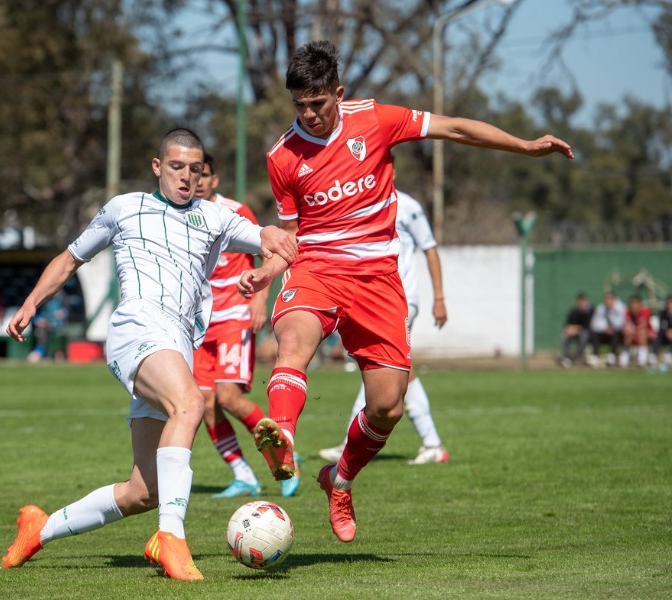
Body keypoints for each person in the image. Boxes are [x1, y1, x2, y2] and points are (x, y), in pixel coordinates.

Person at [237, 40, 573, 543]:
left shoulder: (376, 119)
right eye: (299, 105)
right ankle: (281, 436)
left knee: (388, 405)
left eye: (318, 103)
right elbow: (289, 237)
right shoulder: (283, 156)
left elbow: (455, 128)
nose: (308, 114)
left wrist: (524, 146)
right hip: (317, 270)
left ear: (339, 93)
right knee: (294, 344)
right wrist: (267, 274)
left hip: (377, 280)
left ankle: (340, 479)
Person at [0, 128, 296, 580]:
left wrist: (272, 251)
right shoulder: (124, 208)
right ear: (157, 166)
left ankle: (40, 529)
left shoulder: (215, 217)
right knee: (192, 402)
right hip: (135, 329)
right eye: (176, 167)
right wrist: (31, 302)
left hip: (176, 345)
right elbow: (69, 258)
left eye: (195, 170)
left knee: (144, 491)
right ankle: (170, 538)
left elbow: (272, 241)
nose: (186, 177)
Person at [191, 153, 301, 499]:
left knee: (228, 397)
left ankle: (284, 452)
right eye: (193, 174)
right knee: (203, 404)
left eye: (204, 174)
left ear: (214, 179)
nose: (198, 181)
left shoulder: (236, 211)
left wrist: (259, 299)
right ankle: (243, 475)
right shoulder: (181, 216)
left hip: (234, 317)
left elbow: (270, 252)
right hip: (200, 323)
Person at [317, 189, 449, 466]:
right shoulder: (355, 197)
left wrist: (438, 298)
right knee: (387, 368)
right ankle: (431, 443)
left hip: (401, 300)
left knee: (387, 367)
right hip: (372, 300)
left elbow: (430, 248)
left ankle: (429, 443)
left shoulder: (408, 205)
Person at [588, 292, 626, 367]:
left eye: (610, 299)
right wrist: (604, 328)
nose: (608, 302)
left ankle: (611, 356)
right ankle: (595, 356)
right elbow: (594, 324)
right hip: (604, 333)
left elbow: (622, 323)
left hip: (617, 334)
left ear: (614, 300)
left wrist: (612, 327)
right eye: (606, 299)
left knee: (616, 333)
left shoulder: (621, 308)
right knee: (594, 333)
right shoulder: (601, 308)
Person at [559, 292, 593, 367]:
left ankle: (576, 356)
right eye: (580, 301)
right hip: (575, 334)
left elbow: (589, 326)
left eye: (583, 301)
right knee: (564, 335)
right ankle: (566, 356)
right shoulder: (573, 312)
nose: (581, 303)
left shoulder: (591, 311)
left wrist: (577, 329)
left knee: (585, 335)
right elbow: (567, 326)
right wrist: (569, 330)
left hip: (589, 335)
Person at [621, 294, 654, 368]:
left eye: (636, 305)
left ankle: (642, 359)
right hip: (633, 334)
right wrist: (629, 330)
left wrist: (633, 330)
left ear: (639, 305)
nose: (634, 308)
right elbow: (626, 325)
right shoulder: (627, 312)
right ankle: (625, 356)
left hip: (647, 334)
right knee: (627, 333)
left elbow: (643, 326)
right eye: (632, 305)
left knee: (642, 333)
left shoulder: (645, 311)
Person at [653, 296, 672, 369]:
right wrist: (667, 331)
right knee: (657, 339)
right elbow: (662, 326)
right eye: (669, 303)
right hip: (664, 335)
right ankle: (654, 357)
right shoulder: (663, 313)